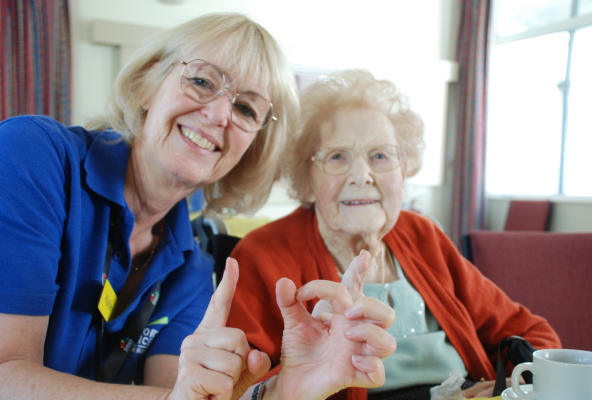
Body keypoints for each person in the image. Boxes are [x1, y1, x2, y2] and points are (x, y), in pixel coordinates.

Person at [0, 14, 396, 400]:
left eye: (246, 109)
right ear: (146, 85)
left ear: (251, 148)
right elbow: (5, 375)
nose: (219, 114)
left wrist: (281, 392)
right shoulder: (32, 155)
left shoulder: (191, 267)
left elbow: (184, 395)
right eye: (202, 81)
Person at [227, 69, 562, 399]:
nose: (362, 175)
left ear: (403, 172)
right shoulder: (263, 254)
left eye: (380, 156)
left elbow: (533, 335)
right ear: (308, 179)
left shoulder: (422, 235)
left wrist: (506, 387)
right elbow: (238, 384)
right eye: (338, 156)